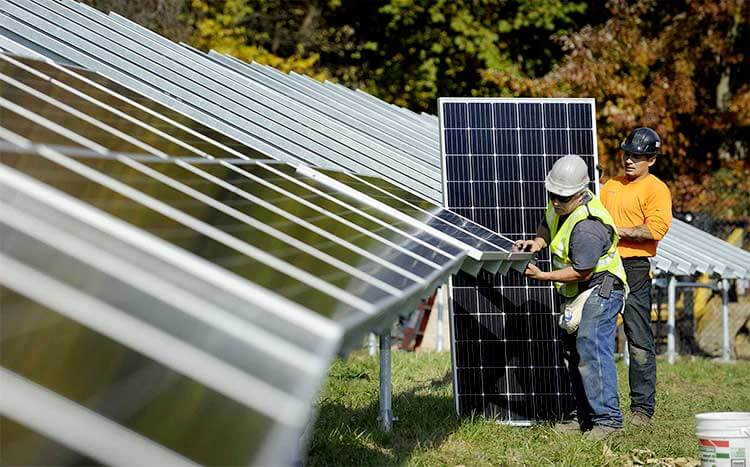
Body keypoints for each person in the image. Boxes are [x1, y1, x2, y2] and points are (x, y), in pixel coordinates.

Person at [513, 155, 628, 441]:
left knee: (590, 346)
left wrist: (541, 277)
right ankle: (584, 417)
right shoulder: (558, 204)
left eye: (562, 197)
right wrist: (537, 242)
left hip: (601, 287)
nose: (555, 201)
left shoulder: (587, 226)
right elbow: (547, 222)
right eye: (552, 194)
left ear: (580, 194)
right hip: (579, 290)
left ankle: (609, 421)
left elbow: (581, 271)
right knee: (573, 351)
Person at [601, 127, 672, 426]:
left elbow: (654, 229)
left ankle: (642, 409)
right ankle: (599, 405)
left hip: (634, 268)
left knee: (639, 338)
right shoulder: (610, 185)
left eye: (638, 157)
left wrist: (618, 232)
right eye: (627, 155)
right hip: (604, 265)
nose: (630, 161)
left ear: (651, 160)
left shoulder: (656, 189)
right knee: (594, 335)